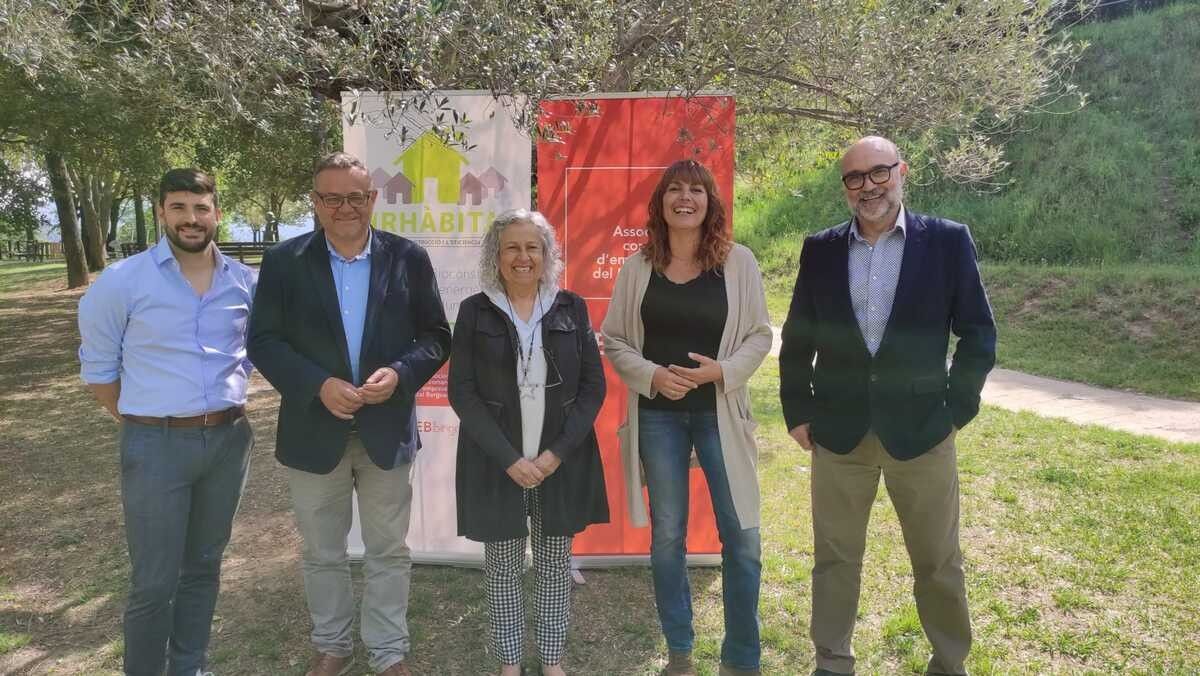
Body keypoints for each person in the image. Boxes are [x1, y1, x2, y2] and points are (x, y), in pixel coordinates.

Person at [779, 136, 997, 676]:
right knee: (834, 561)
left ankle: (949, 663)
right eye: (855, 178)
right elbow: (798, 337)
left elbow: (978, 333)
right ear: (845, 188)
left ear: (902, 172)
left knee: (938, 562)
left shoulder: (947, 241)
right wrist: (798, 411)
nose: (868, 186)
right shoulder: (822, 248)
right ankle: (832, 662)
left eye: (878, 172)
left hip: (923, 431)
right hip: (839, 432)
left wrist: (956, 410)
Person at [247, 152, 450, 676]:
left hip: (385, 432)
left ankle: (388, 651)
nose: (345, 207)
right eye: (332, 198)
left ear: (372, 199)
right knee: (322, 551)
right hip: (313, 432)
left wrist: (400, 375)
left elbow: (435, 338)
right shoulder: (284, 261)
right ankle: (332, 644)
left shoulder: (408, 258)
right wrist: (317, 385)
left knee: (388, 549)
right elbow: (263, 341)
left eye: (355, 197)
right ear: (315, 203)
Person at [78, 168, 256, 676]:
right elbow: (99, 373)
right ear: (161, 212)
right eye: (178, 207)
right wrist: (145, 422)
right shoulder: (121, 282)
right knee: (154, 581)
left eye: (201, 208)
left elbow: (254, 352)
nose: (191, 219)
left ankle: (189, 668)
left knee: (203, 568)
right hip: (154, 443)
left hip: (228, 441)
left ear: (217, 213)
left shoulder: (245, 282)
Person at [602, 160, 772, 676]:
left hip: (719, 413)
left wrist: (723, 372)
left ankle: (741, 657)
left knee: (741, 536)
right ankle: (680, 648)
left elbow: (760, 335)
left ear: (709, 202)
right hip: (658, 417)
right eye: (674, 189)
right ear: (661, 203)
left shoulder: (738, 263)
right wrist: (652, 375)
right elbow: (613, 340)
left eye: (696, 190)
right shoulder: (638, 267)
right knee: (668, 536)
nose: (685, 198)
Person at [448, 210, 609, 676]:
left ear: (547, 255)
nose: (523, 257)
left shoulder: (571, 307)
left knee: (555, 563)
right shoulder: (474, 311)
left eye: (532, 247)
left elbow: (593, 387)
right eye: (512, 247)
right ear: (495, 257)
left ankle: (553, 659)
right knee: (502, 565)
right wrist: (509, 459)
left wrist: (556, 453)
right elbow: (462, 391)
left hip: (560, 460)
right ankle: (510, 663)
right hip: (497, 462)